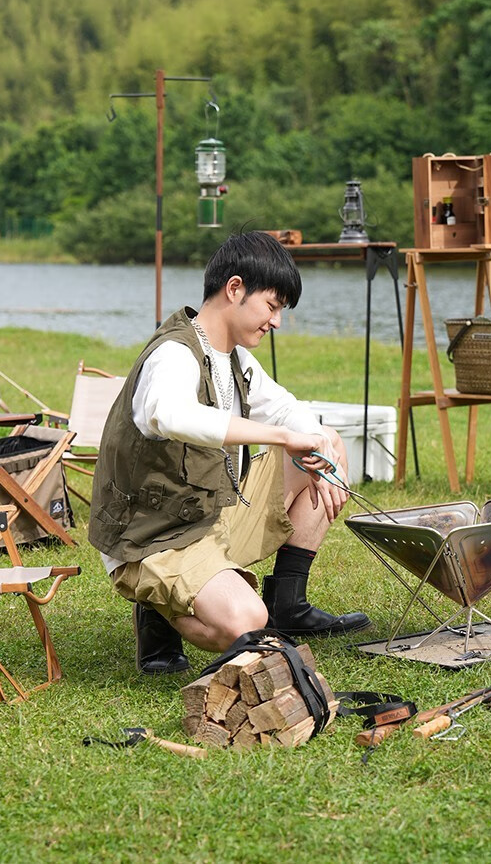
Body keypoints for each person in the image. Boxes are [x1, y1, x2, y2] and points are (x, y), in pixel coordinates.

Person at [89, 230, 370, 674]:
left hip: (208, 515)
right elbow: (170, 414)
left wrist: (320, 452)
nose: (276, 322)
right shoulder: (173, 355)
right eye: (272, 306)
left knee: (327, 441)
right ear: (235, 289)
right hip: (153, 539)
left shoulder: (234, 358)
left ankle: (288, 606)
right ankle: (159, 608)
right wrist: (280, 438)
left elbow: (286, 409)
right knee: (245, 621)